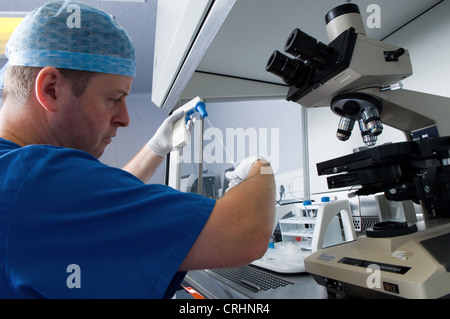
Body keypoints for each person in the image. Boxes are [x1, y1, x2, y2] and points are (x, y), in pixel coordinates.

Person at [0, 1, 275, 298]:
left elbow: (98, 207)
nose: (125, 118)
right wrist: (259, 169)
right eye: (114, 98)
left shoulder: (18, 176)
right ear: (51, 89)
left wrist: (156, 148)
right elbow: (245, 233)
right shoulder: (39, 178)